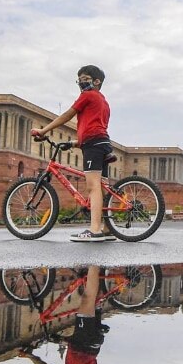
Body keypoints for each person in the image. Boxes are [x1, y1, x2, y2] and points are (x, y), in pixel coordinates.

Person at [30, 65, 116, 242]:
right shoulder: (104, 102)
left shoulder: (87, 95)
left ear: (96, 81)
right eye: (79, 79)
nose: (81, 82)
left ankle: (94, 230)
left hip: (94, 144)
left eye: (85, 78)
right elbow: (97, 127)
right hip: (102, 144)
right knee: (101, 188)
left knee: (93, 187)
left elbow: (66, 116)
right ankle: (107, 228)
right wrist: (74, 143)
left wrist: (43, 131)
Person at [27, 265, 108, 364]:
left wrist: (61, 341)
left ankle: (100, 272)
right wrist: (32, 357)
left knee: (94, 303)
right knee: (87, 299)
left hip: (92, 345)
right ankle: (94, 264)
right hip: (83, 343)